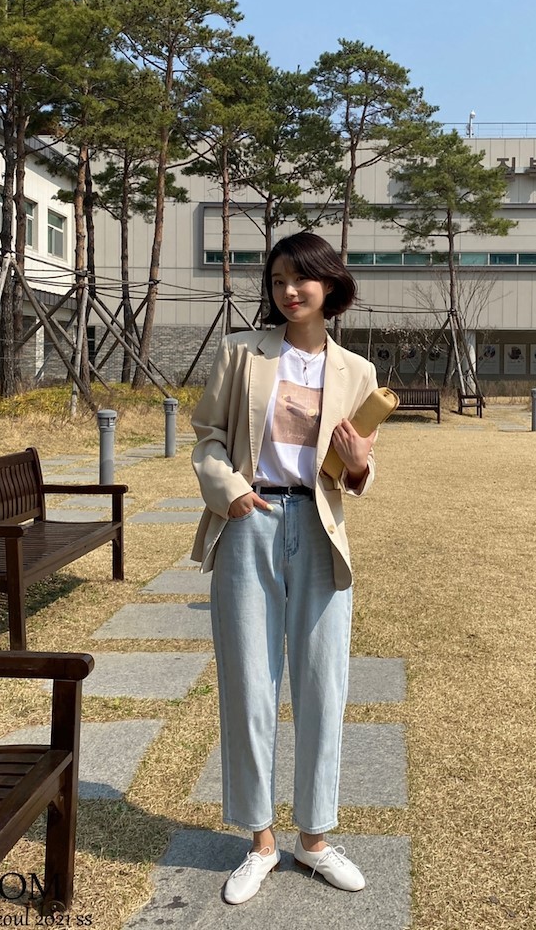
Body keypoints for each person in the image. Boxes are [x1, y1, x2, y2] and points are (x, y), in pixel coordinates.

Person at [190, 231, 379, 905]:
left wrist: (360, 464)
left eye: (301, 278)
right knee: (249, 681)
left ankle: (315, 839)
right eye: (277, 280)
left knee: (324, 681)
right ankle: (261, 841)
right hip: (251, 520)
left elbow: (355, 469)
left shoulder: (357, 372)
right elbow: (208, 436)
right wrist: (230, 489)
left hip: (320, 528)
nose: (288, 291)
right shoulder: (242, 352)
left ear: (330, 286)